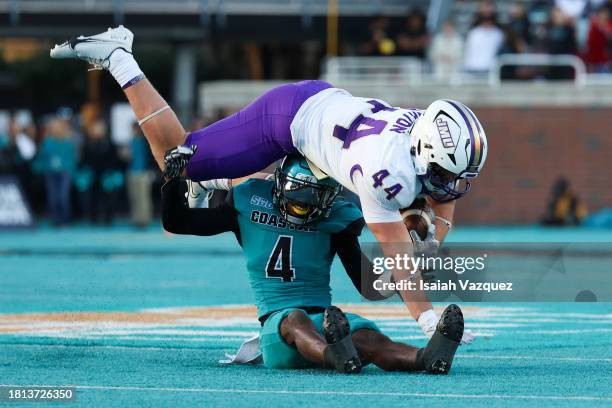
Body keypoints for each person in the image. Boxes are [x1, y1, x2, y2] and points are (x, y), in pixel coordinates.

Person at [50, 26, 488, 338]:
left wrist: (434, 238)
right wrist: (427, 319)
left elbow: (440, 192)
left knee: (392, 215)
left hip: (326, 119)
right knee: (178, 157)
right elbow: (398, 256)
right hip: (290, 119)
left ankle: (216, 175)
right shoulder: (384, 172)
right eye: (451, 171)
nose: (454, 185)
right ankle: (119, 57)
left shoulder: (419, 139)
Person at [161, 155, 465, 373]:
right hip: (277, 326)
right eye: (297, 197)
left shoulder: (336, 219)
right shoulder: (247, 201)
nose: (302, 206)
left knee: (369, 338)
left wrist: (408, 263)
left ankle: (425, 357)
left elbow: (369, 286)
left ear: (329, 198)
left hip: (328, 321)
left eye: (312, 200)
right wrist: (172, 181)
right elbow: (178, 221)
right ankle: (334, 355)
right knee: (294, 319)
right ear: (279, 185)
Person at [36, 117, 77, 226]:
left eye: (58, 127)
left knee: (63, 196)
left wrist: (70, 172)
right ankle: (55, 219)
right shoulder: (47, 142)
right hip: (50, 172)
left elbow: (72, 159)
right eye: (54, 127)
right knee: (52, 196)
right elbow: (42, 157)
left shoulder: (69, 142)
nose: (56, 129)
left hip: (64, 172)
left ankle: (65, 219)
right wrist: (43, 167)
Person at [127, 122, 153, 227]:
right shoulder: (131, 142)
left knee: (144, 197)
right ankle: (136, 218)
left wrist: (151, 170)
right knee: (134, 197)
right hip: (132, 171)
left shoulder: (145, 142)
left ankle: (145, 219)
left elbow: (151, 156)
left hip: (143, 172)